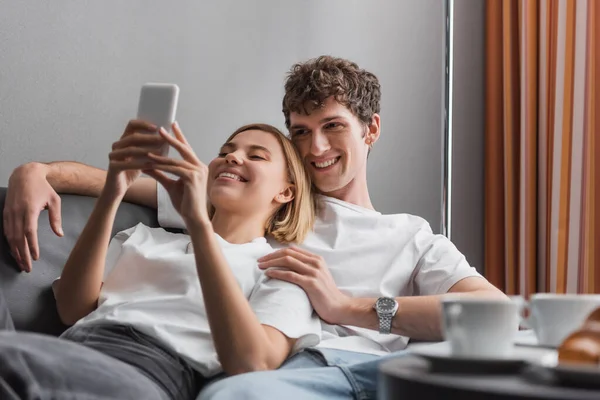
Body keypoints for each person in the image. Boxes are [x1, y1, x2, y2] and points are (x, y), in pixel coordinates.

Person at [3, 56, 507, 400]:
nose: (316, 149)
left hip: (342, 368)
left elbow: (493, 313)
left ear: (370, 129)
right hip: (253, 364)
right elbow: (119, 180)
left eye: (333, 126)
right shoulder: (249, 201)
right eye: (301, 132)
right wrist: (36, 172)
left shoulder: (408, 235)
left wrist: (348, 307)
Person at [0, 121, 321, 400]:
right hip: (68, 348)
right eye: (225, 151)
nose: (232, 157)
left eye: (256, 156)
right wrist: (113, 191)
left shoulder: (281, 270)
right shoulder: (143, 237)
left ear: (286, 193)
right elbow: (72, 309)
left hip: (146, 372)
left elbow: (252, 363)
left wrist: (198, 223)